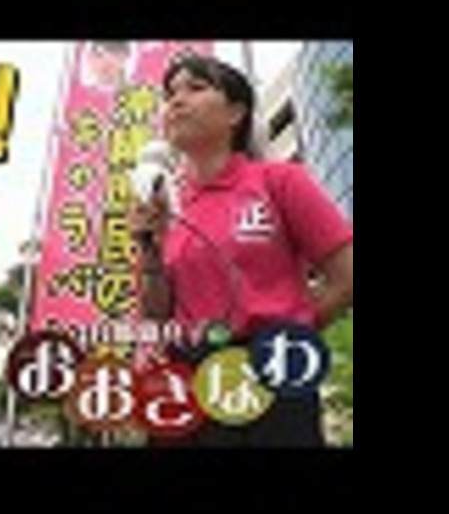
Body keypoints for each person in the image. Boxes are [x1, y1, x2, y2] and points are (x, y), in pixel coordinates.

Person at [128, 53, 353, 447]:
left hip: (272, 371)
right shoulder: (164, 204)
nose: (176, 100)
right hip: (184, 381)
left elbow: (346, 276)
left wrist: (292, 329)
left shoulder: (279, 181)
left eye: (196, 87)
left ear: (236, 112)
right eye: (170, 93)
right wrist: (150, 249)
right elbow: (156, 314)